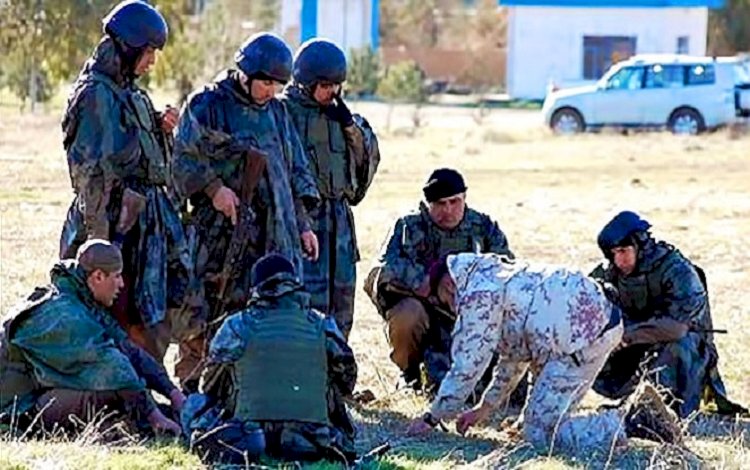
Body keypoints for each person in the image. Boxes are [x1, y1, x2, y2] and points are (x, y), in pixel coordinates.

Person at [406, 253, 683, 451]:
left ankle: (633, 420)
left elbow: (469, 362)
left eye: (445, 298)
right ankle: (623, 419)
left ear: (448, 284)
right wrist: (486, 408)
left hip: (576, 342)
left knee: (542, 436)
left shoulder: (477, 293)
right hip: (595, 329)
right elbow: (513, 356)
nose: (451, 306)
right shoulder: (494, 274)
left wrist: (434, 417)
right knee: (542, 421)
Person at [171, 32, 320, 390]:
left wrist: (303, 224)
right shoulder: (208, 105)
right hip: (221, 234)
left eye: (278, 84)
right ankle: (196, 389)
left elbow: (296, 169)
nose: (271, 91)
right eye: (266, 82)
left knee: (269, 307)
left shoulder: (278, 112)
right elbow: (182, 158)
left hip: (276, 233)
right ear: (246, 72)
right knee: (208, 308)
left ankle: (255, 386)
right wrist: (213, 188)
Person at [58, 0, 191, 362]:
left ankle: (143, 397)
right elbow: (92, 176)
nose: (152, 62)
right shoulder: (95, 94)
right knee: (111, 318)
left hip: (145, 228)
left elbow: (144, 159)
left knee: (148, 319)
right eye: (148, 52)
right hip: (117, 226)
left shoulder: (129, 92)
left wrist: (159, 129)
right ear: (128, 47)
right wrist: (102, 245)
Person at [181, 254, 357, 465]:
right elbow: (347, 379)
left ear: (256, 288)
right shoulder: (323, 325)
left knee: (193, 404)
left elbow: (209, 385)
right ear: (295, 284)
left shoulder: (236, 325)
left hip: (247, 436)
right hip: (314, 439)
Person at [0, 240, 183, 436]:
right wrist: (154, 416)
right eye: (117, 276)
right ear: (97, 277)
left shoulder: (80, 298)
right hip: (19, 410)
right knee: (117, 393)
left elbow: (128, 350)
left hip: (41, 392)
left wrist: (173, 393)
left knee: (130, 388)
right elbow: (115, 367)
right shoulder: (65, 313)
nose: (121, 284)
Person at [364, 168, 513, 393]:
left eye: (455, 202)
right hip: (425, 311)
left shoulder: (483, 227)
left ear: (465, 198)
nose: (449, 210)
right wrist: (430, 279)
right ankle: (410, 375)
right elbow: (382, 270)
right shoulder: (409, 226)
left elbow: (507, 271)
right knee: (407, 316)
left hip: (471, 316)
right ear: (428, 204)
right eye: (440, 204)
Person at [591, 210, 746, 418]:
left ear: (640, 245)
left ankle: (667, 411)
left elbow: (676, 327)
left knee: (677, 344)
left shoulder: (677, 270)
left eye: (623, 251)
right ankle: (632, 402)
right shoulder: (609, 273)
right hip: (635, 348)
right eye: (613, 253)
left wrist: (625, 335)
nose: (619, 260)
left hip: (687, 351)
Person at [281, 38, 380, 339]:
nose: (333, 92)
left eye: (337, 85)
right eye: (325, 85)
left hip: (339, 224)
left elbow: (365, 160)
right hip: (304, 222)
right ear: (305, 81)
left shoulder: (344, 117)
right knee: (305, 303)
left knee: (342, 305)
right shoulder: (283, 113)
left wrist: (349, 126)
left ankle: (337, 376)